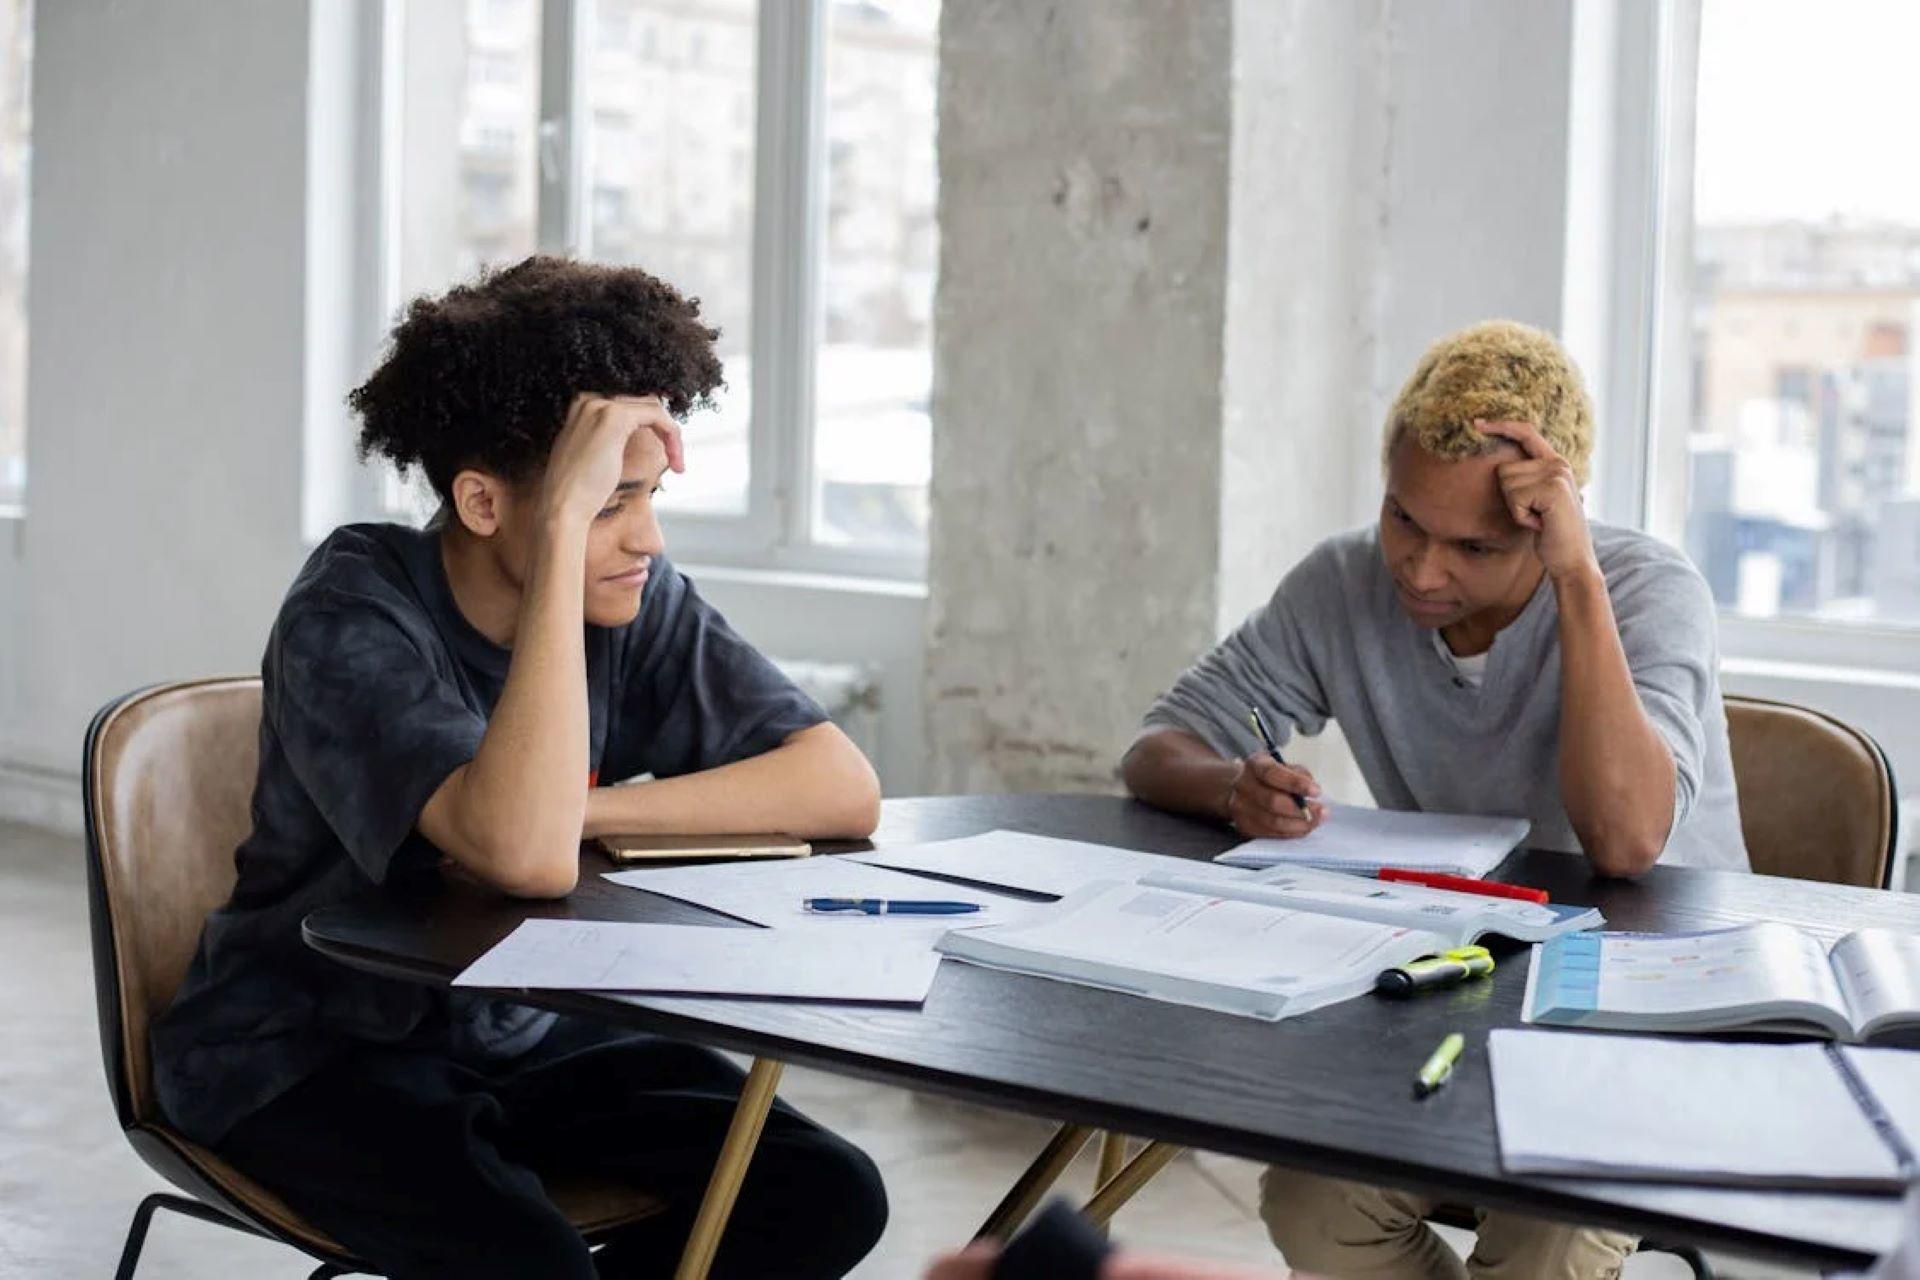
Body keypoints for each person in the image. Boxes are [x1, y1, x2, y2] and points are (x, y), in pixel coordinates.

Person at [150, 256, 888, 1279]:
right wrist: (559, 547)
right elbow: (521, 857)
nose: (647, 538)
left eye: (649, 495)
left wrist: (587, 814)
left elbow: (840, 785)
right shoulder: (350, 609)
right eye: (608, 502)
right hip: (304, 1047)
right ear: (483, 503)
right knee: (531, 1263)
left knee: (824, 1191)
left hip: (517, 1030)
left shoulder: (629, 594)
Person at [1121, 319, 1747, 1279]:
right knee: (1314, 1207)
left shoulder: (1646, 590)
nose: (1420, 568)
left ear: (1551, 519)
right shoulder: (1342, 584)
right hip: (1461, 992)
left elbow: (1627, 844)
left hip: (1649, 1007)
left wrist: (1576, 579)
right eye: (1404, 519)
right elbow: (1159, 745)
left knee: (1543, 1240)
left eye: (1474, 546)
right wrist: (1230, 789)